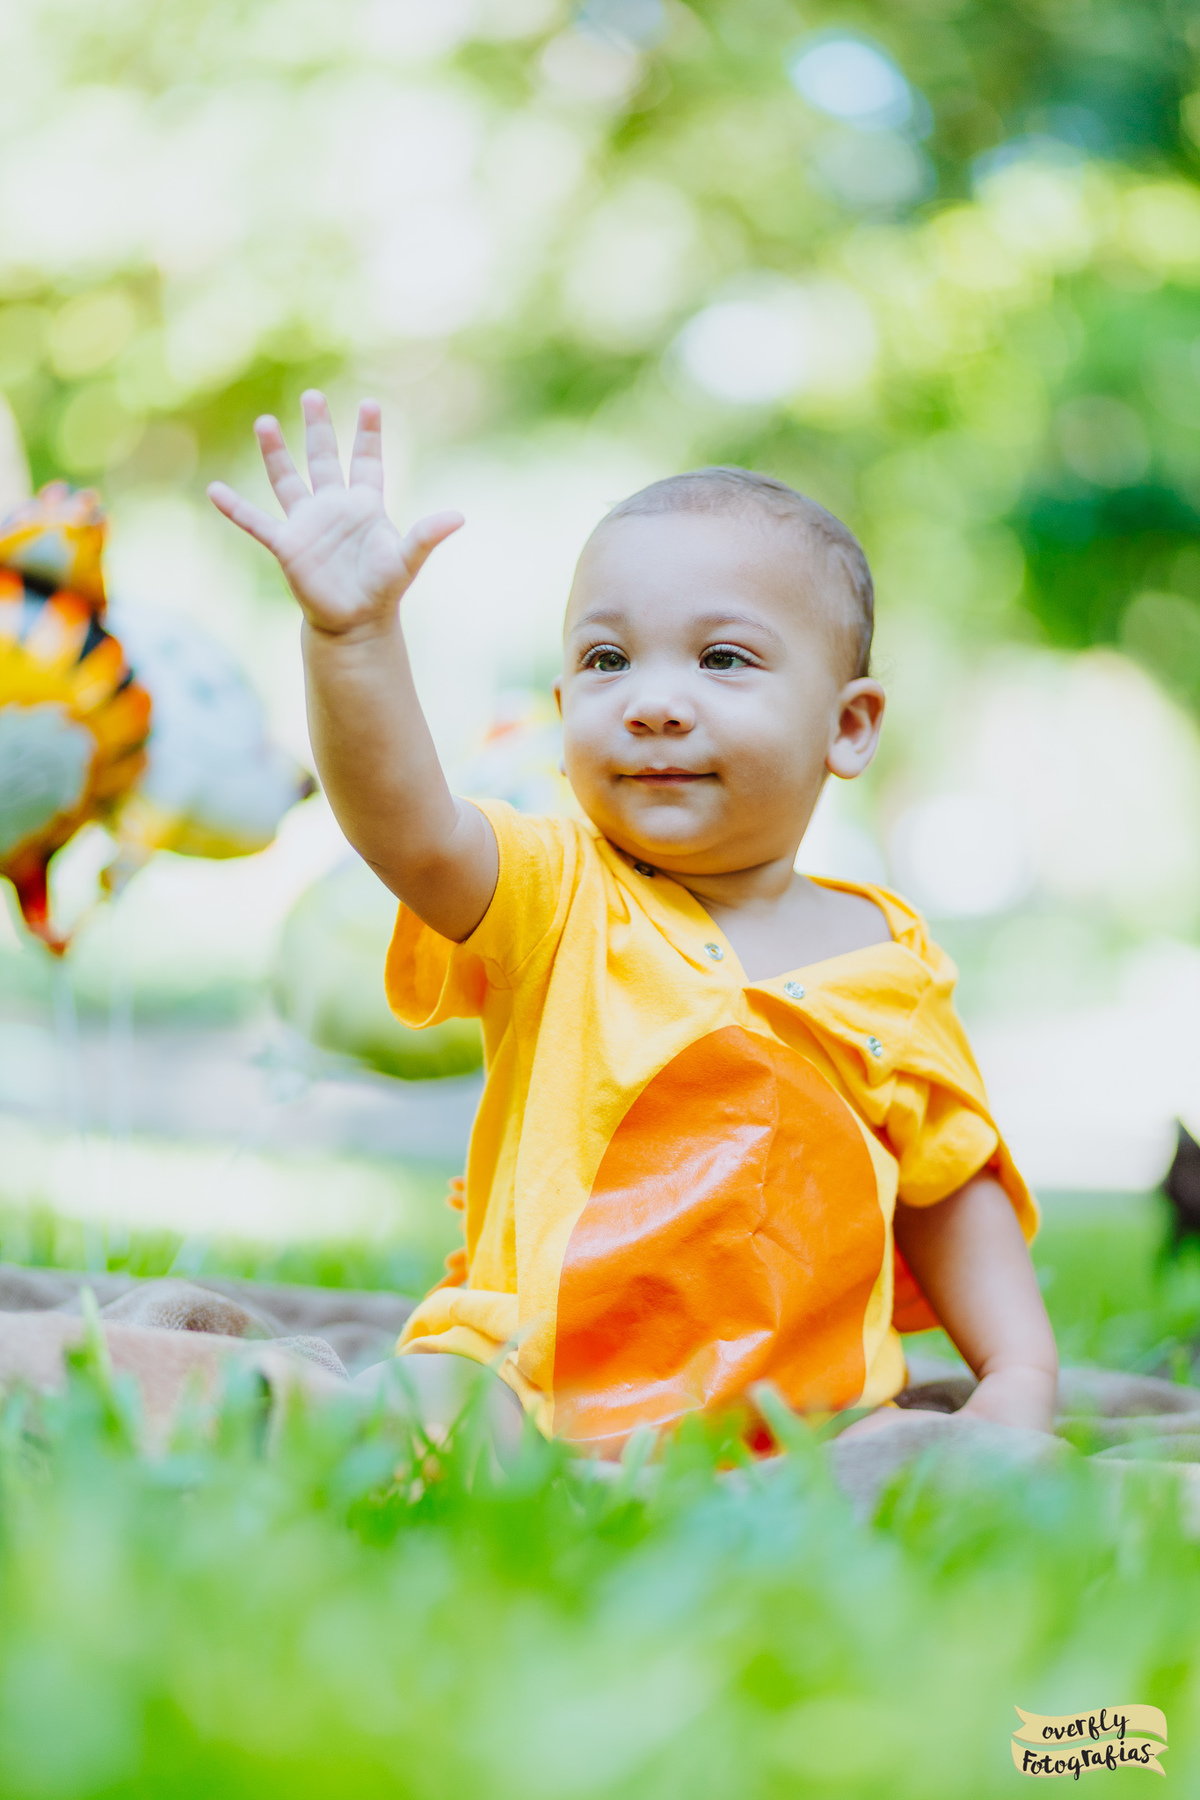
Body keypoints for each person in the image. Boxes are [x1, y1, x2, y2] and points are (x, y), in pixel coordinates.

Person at [0, 393, 1057, 1456]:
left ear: (850, 725)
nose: (653, 701)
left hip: (803, 1417)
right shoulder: (559, 888)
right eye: (608, 661)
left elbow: (947, 1180)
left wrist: (1016, 1373)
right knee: (420, 1421)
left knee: (896, 1465)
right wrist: (350, 632)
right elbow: (409, 831)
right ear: (562, 710)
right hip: (525, 1386)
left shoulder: (889, 964)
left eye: (723, 659)